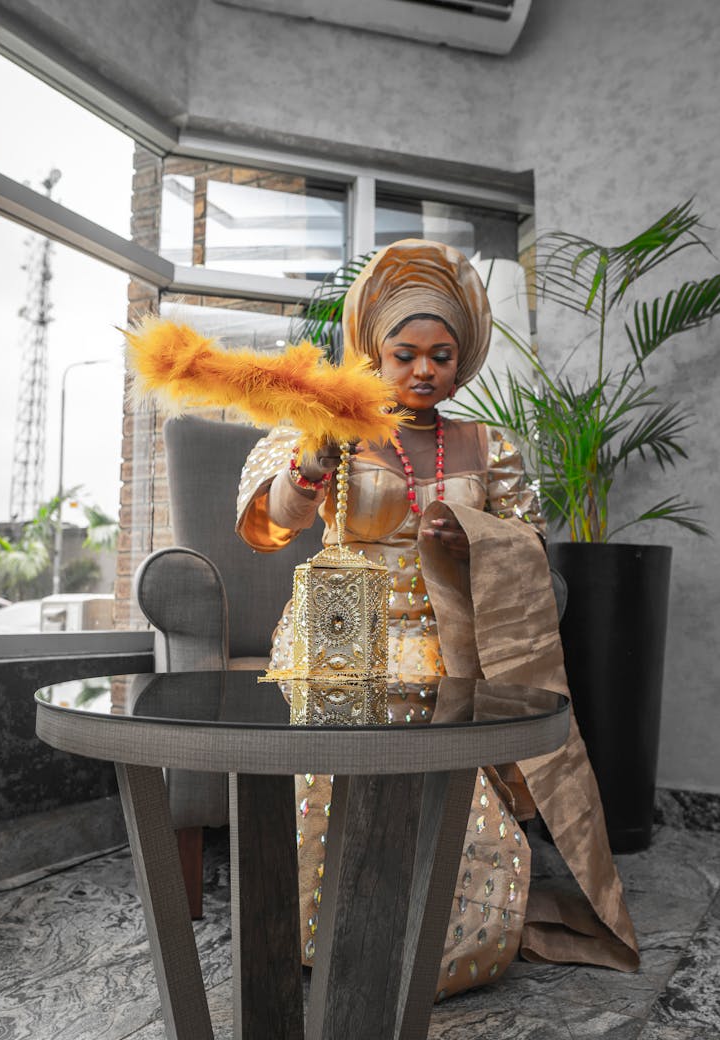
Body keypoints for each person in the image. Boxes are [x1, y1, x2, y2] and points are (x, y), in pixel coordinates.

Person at [236, 239, 639, 998]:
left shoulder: (493, 445)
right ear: (374, 353)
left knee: (471, 830)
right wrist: (310, 467)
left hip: (451, 651)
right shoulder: (329, 424)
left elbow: (529, 551)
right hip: (343, 640)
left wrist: (475, 539)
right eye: (406, 352)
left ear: (462, 361)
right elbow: (270, 526)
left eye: (443, 355)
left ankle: (429, 951)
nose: (425, 369)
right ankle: (330, 941)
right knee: (339, 791)